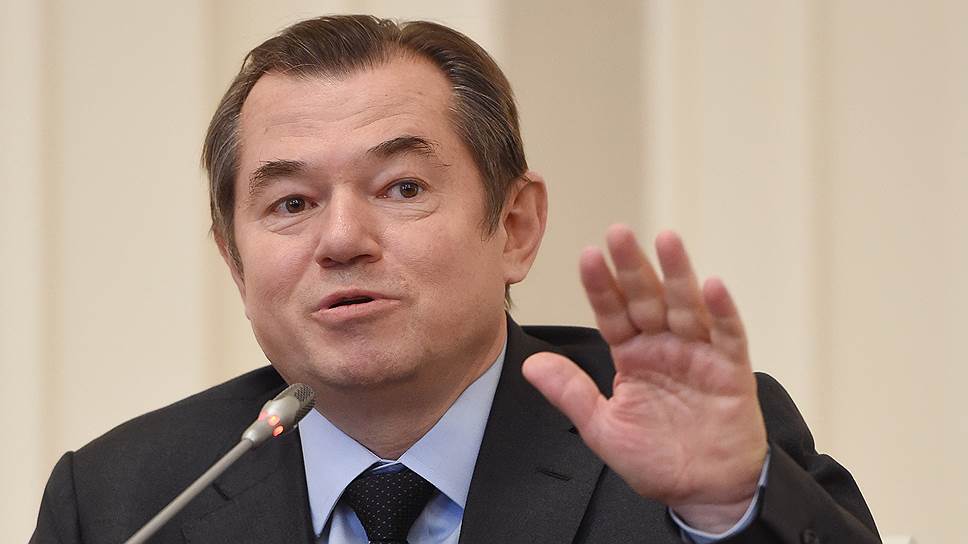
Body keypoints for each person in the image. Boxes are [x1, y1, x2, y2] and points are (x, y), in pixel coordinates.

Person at [31, 15, 879, 544]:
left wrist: (726, 515)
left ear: (515, 227)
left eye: (401, 188)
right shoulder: (120, 502)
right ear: (234, 259)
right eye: (291, 203)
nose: (341, 239)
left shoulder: (683, 446)